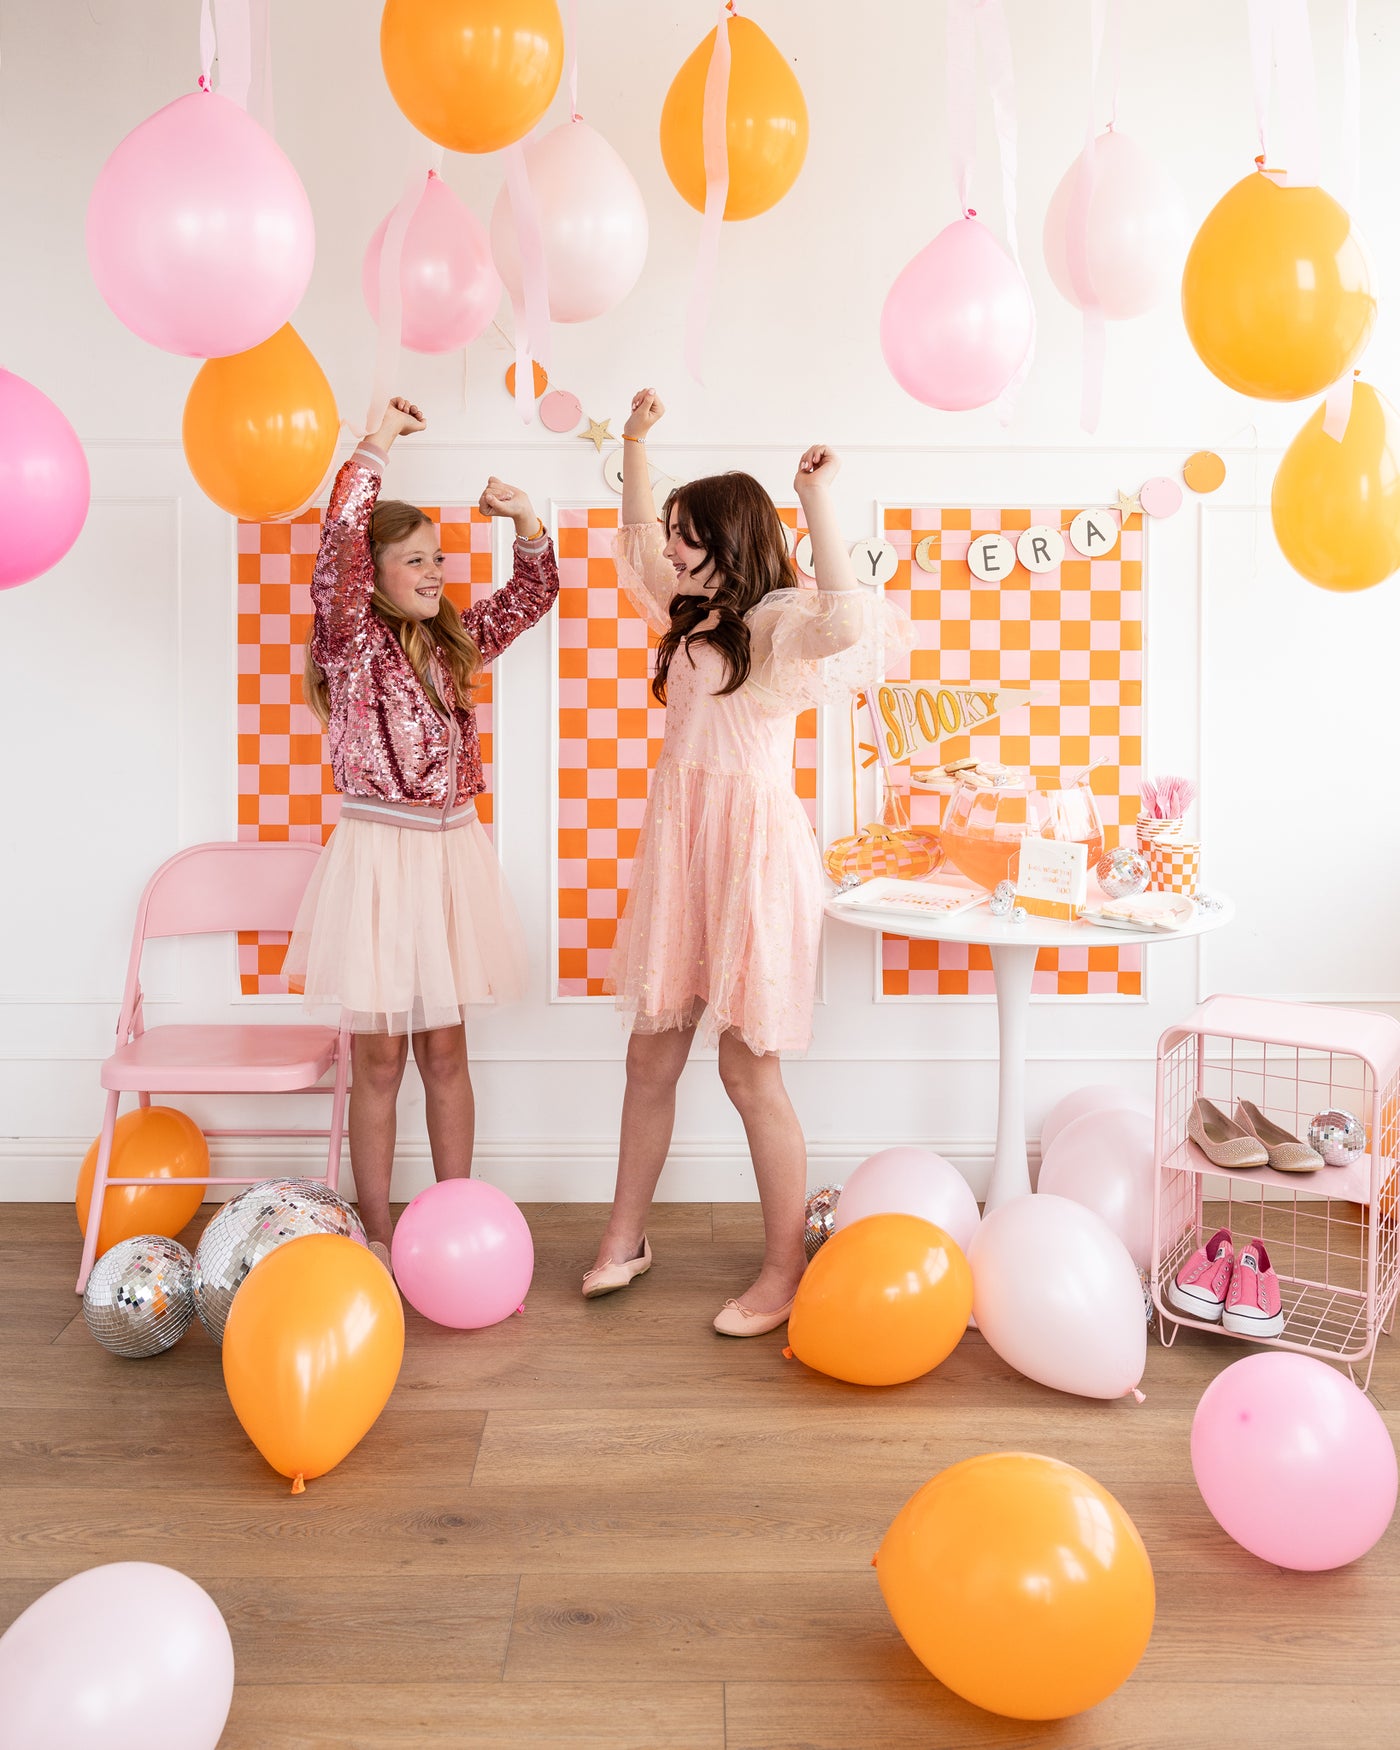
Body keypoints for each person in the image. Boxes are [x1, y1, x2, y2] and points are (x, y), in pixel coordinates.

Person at [584, 388, 913, 1333]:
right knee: (650, 1057)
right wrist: (638, 441)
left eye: (691, 537)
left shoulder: (776, 622)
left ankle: (782, 1272)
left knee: (747, 1072)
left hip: (753, 859)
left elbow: (849, 623)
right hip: (682, 853)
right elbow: (637, 539)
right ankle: (625, 1236)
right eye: (677, 537)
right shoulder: (684, 608)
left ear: (730, 542)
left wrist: (814, 500)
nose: (673, 550)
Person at [286, 397, 558, 1268]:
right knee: (379, 1061)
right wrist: (376, 446)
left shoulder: (454, 643)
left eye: (438, 558)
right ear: (375, 574)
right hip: (377, 858)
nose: (436, 572)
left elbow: (533, 594)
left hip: (449, 855)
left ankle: (452, 1213)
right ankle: (372, 1224)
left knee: (447, 1050)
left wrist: (525, 522)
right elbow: (336, 552)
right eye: (415, 561)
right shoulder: (349, 638)